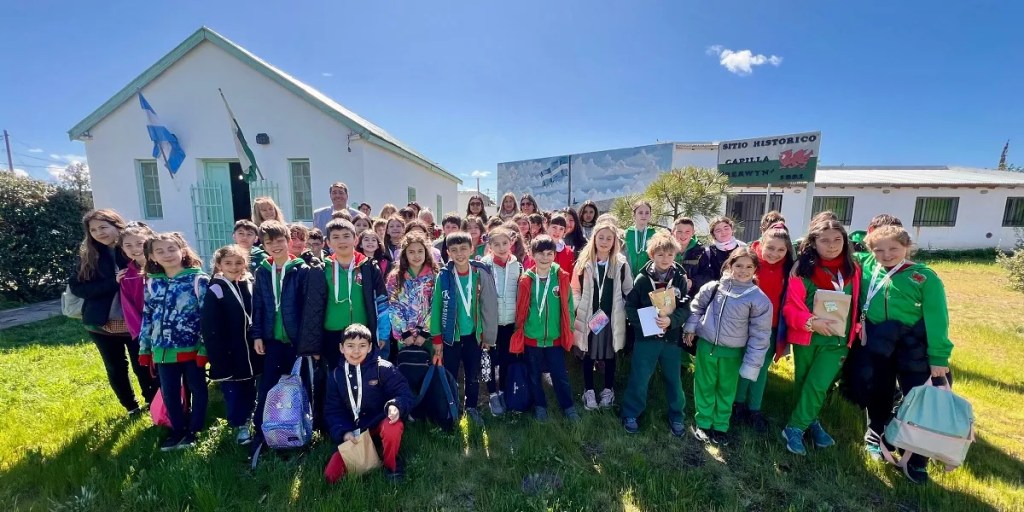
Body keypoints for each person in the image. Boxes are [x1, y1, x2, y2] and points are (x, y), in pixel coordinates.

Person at [857, 225, 952, 484]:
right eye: (879, 250)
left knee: (919, 401)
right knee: (879, 394)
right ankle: (876, 436)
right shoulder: (867, 266)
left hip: (914, 347)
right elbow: (844, 245)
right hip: (878, 344)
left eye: (894, 249)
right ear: (870, 250)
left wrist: (939, 358)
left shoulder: (924, 277)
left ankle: (916, 459)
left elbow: (937, 318)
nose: (886, 255)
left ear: (907, 247)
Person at [781, 219, 863, 456]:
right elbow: (790, 308)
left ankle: (794, 428)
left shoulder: (853, 269)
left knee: (818, 385)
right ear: (813, 242)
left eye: (838, 239)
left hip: (838, 341)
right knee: (804, 382)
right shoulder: (802, 269)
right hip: (808, 337)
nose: (832, 245)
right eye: (824, 240)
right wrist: (811, 322)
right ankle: (811, 422)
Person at [69, 209, 158, 415]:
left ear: (116, 225)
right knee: (116, 367)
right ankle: (131, 406)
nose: (99, 232)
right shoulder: (88, 256)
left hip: (136, 321)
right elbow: (78, 288)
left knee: (143, 364)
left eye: (103, 227)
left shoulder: (134, 247)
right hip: (101, 323)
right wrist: (113, 282)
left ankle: (153, 402)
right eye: (93, 229)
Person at [683, 247, 772, 445]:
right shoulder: (714, 287)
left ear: (755, 269)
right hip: (707, 347)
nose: (743, 270)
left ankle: (721, 425)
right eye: (738, 265)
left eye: (749, 266)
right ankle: (703, 423)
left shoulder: (758, 299)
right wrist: (690, 327)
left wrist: (752, 362)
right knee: (704, 385)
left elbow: (760, 334)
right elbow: (696, 307)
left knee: (726, 389)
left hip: (733, 352)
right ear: (730, 266)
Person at [138, 233, 210, 451]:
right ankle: (177, 429)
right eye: (159, 251)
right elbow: (147, 315)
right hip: (162, 350)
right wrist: (145, 347)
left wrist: (204, 348)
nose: (167, 255)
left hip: (192, 348)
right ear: (151, 256)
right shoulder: (152, 283)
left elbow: (207, 317)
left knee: (197, 388)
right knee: (169, 391)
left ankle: (194, 430)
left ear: (182, 250)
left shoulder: (198, 280)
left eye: (171, 249)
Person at [250, 220, 314, 453]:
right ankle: (263, 430)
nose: (275, 246)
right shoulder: (262, 271)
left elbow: (309, 310)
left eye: (279, 241)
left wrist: (308, 343)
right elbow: (257, 306)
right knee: (268, 385)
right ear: (263, 245)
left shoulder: (301, 270)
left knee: (301, 386)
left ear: (288, 242)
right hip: (272, 341)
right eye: (269, 242)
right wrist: (257, 335)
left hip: (296, 342)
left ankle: (303, 427)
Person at [323, 324, 414, 483]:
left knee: (392, 426)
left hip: (380, 424)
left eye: (362, 346)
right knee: (331, 475)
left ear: (370, 347)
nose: (356, 351)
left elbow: (404, 393)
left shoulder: (384, 368)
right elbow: (333, 411)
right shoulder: (336, 376)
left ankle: (391, 465)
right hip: (354, 433)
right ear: (341, 348)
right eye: (350, 346)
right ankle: (372, 452)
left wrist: (395, 406)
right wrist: (344, 432)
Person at [621, 233, 689, 436]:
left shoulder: (679, 279)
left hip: (671, 340)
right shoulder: (642, 279)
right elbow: (630, 307)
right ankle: (631, 413)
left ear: (675, 255)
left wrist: (672, 321)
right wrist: (645, 324)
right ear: (652, 255)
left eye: (670, 254)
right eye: (660, 254)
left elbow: (685, 308)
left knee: (673, 379)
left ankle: (677, 415)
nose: (666, 259)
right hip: (646, 340)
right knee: (639, 377)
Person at [429, 231, 498, 425]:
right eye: (454, 250)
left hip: (474, 336)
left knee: (473, 373)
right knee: (450, 373)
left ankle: (472, 407)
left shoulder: (479, 273)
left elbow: (488, 307)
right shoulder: (443, 276)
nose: (459, 254)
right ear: (448, 252)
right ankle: (452, 407)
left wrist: (488, 336)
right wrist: (436, 339)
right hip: (451, 336)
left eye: (463, 249)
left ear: (471, 249)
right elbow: (437, 308)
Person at [510, 235, 580, 422]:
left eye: (550, 254)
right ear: (533, 255)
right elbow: (521, 309)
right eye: (541, 253)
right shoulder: (526, 280)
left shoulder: (561, 277)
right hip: (532, 337)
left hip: (554, 338)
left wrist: (569, 329)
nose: (545, 257)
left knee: (560, 375)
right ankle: (540, 406)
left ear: (554, 256)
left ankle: (568, 406)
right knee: (534, 376)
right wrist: (521, 331)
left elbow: (568, 306)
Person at [733, 225, 795, 433]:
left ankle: (754, 409)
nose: (774, 254)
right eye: (771, 248)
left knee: (760, 368)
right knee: (742, 365)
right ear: (761, 243)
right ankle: (737, 404)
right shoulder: (750, 263)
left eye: (781, 250)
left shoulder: (790, 269)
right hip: (744, 325)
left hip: (771, 327)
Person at [305, 218, 388, 368]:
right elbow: (312, 309)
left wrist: (382, 333)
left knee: (363, 379)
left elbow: (382, 301)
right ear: (328, 243)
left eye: (346, 236)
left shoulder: (368, 267)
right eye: (335, 237)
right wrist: (313, 345)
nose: (341, 241)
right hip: (332, 335)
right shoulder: (321, 269)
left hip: (362, 333)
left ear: (356, 239)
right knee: (334, 378)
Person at [201, 244, 261, 445]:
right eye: (228, 263)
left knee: (250, 387)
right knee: (233, 391)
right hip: (229, 351)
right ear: (219, 265)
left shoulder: (249, 283)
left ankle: (250, 419)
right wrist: (218, 356)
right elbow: (210, 326)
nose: (234, 267)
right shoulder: (216, 289)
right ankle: (238, 425)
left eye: (238, 262)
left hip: (251, 349)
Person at [572, 223, 633, 410]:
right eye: (601, 238)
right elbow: (574, 289)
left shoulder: (621, 264)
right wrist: (578, 307)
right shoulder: (583, 263)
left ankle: (608, 390)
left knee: (610, 354)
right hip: (589, 318)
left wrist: (623, 307)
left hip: (611, 319)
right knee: (588, 353)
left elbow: (628, 289)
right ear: (594, 239)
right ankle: (588, 391)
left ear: (615, 241)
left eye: (609, 238)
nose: (605, 242)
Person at [479, 226, 524, 416]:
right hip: (490, 323)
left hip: (508, 323)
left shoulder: (517, 265)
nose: (501, 247)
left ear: (511, 244)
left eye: (505, 243)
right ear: (489, 246)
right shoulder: (483, 266)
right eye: (496, 244)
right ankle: (492, 394)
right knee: (488, 360)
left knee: (506, 358)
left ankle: (504, 390)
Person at [386, 232, 438, 357]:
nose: (416, 256)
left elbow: (436, 305)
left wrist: (424, 333)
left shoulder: (434, 276)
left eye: (420, 251)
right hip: (405, 337)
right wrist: (405, 334)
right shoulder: (396, 277)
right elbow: (393, 306)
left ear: (426, 252)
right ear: (405, 254)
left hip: (427, 337)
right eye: (411, 252)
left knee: (428, 371)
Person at [118, 222, 156, 379]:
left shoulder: (164, 269)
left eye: (139, 243)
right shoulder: (126, 276)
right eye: (128, 245)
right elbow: (129, 308)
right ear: (122, 249)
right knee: (150, 370)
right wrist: (141, 333)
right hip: (144, 331)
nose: (135, 249)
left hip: (169, 328)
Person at [691, 216, 746, 293]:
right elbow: (704, 277)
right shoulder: (707, 252)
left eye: (726, 228)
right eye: (718, 230)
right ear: (713, 234)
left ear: (732, 229)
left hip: (741, 293)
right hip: (716, 295)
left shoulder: (744, 248)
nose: (723, 232)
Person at [624, 200, 657, 277]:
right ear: (634, 214)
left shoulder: (655, 234)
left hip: (648, 277)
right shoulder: (625, 234)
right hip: (627, 277)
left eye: (647, 213)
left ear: (650, 215)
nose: (644, 215)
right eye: (640, 212)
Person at [672, 217, 704, 285]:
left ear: (693, 233)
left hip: (692, 292)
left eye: (687, 232)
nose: (683, 235)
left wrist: (692, 282)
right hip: (667, 291)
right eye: (679, 231)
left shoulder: (701, 251)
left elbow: (707, 274)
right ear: (673, 232)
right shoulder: (665, 249)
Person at [545, 214, 577, 281]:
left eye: (561, 229)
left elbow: (571, 277)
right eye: (554, 227)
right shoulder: (538, 248)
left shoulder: (569, 252)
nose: (557, 232)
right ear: (547, 227)